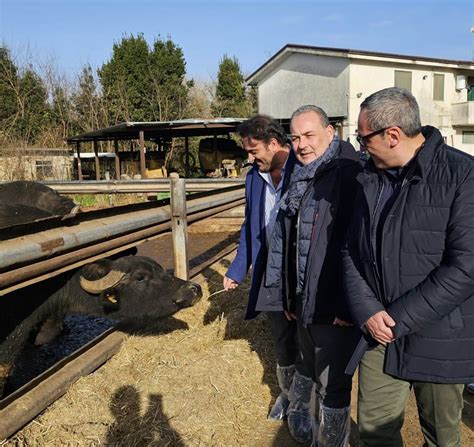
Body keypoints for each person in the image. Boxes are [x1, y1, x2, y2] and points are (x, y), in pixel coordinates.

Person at [343, 87, 474, 446]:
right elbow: (349, 250)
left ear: (393, 135)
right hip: (378, 332)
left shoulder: (463, 175)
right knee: (375, 434)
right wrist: (368, 310)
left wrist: (397, 318)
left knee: (441, 437)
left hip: (440, 335)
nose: (359, 144)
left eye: (362, 136)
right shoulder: (367, 178)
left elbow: (465, 267)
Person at [264, 105, 362, 447]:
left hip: (332, 304)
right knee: (309, 364)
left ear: (330, 133)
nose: (302, 144)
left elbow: (353, 248)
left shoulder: (349, 175)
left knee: (331, 381)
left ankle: (332, 440)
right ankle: (308, 426)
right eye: (295, 137)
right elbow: (292, 243)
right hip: (305, 299)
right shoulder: (302, 175)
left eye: (309, 135)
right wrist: (289, 296)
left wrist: (346, 307)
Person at [223, 114, 313, 443]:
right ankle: (288, 395)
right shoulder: (254, 178)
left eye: (253, 150)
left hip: (300, 274)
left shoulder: (303, 173)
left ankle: (304, 402)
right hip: (271, 274)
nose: (249, 157)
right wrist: (237, 269)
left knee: (306, 340)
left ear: (274, 144)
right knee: (281, 339)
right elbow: (251, 228)